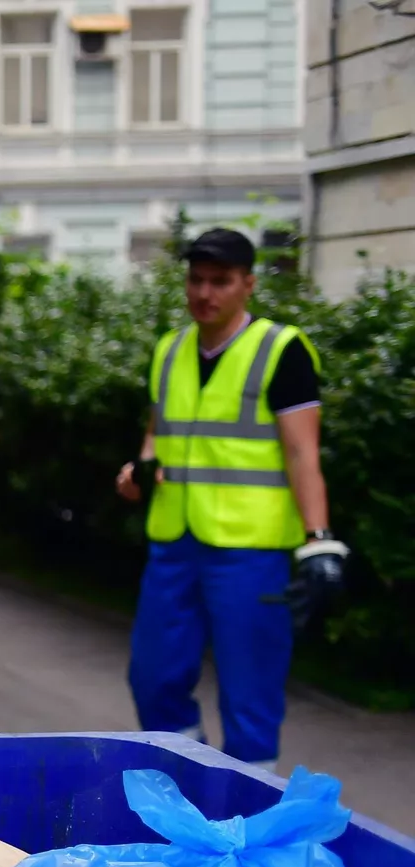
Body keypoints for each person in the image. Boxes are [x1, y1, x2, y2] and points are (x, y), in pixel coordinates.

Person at [115, 228, 348, 770]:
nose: (204, 293)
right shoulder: (169, 350)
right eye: (196, 280)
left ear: (248, 284)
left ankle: (247, 830)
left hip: (251, 551)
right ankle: (193, 786)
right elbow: (159, 433)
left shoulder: (280, 350)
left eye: (220, 282)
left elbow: (301, 453)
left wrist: (319, 542)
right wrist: (139, 468)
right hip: (174, 544)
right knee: (152, 678)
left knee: (250, 697)